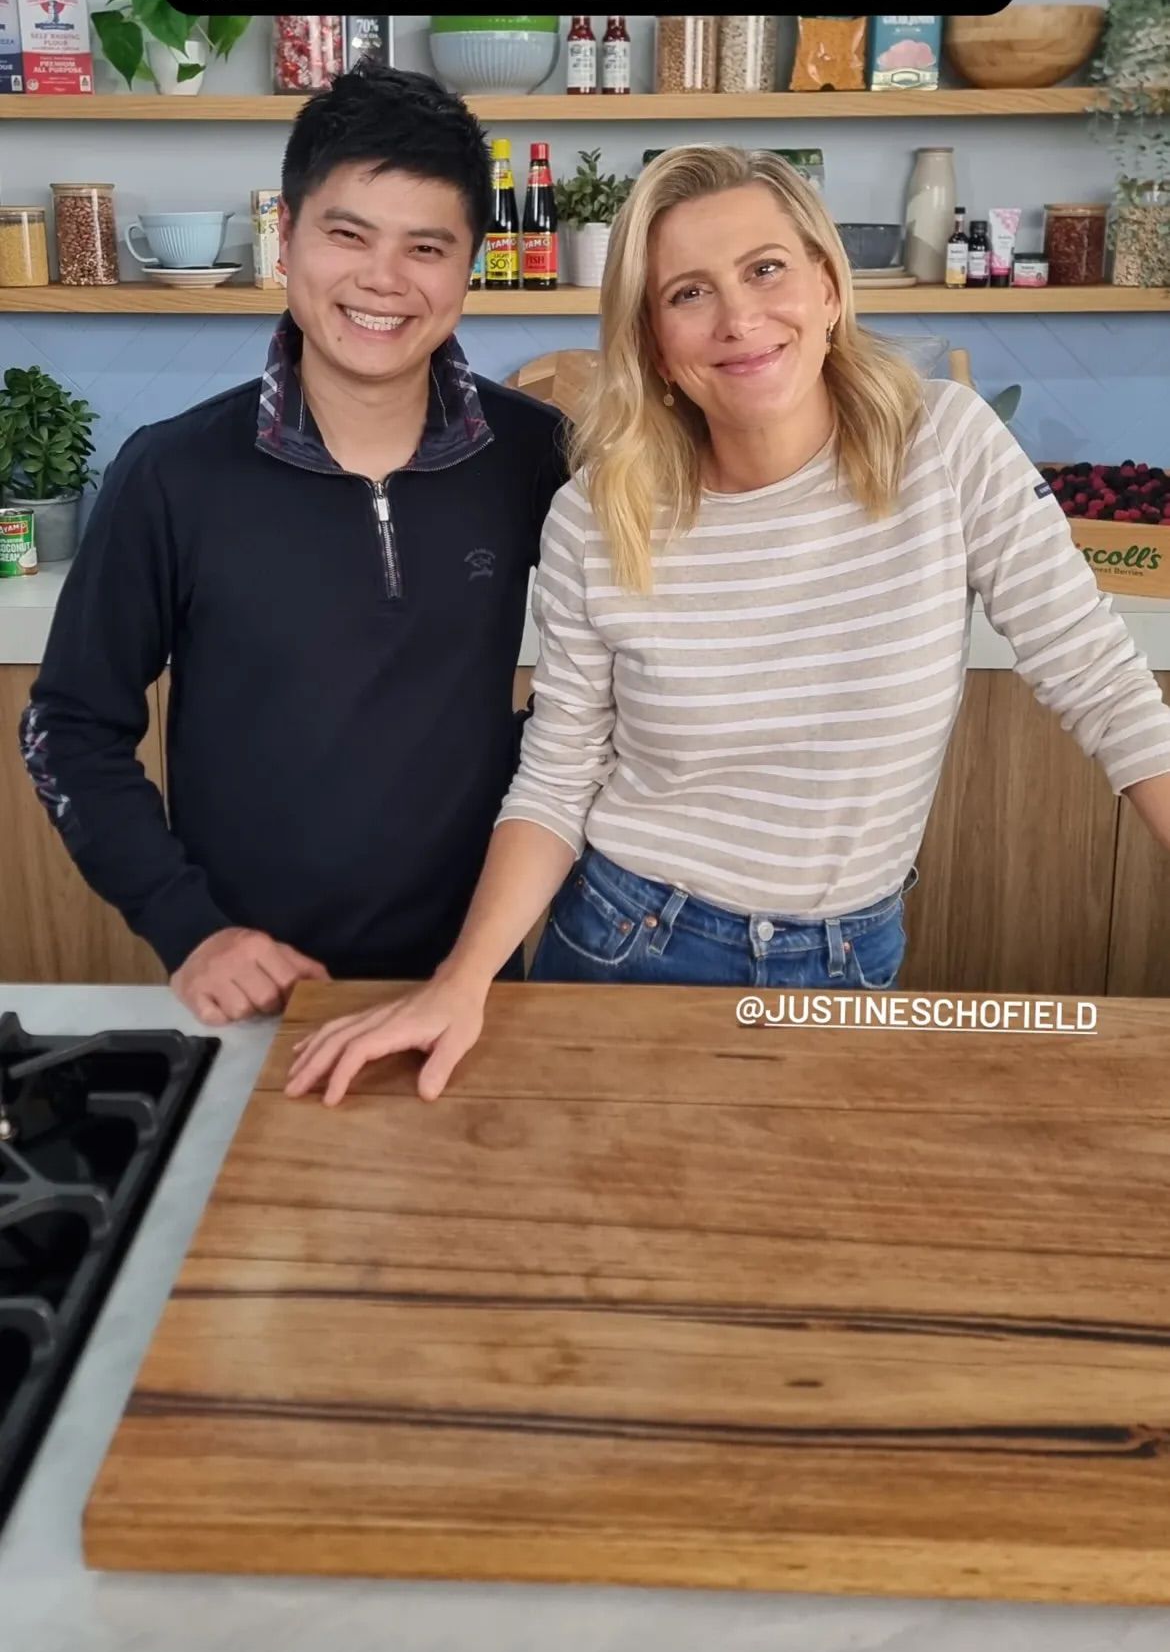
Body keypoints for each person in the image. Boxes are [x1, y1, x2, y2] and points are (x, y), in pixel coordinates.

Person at [287, 143, 1170, 1105]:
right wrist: (462, 982)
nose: (740, 319)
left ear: (827, 288)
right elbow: (559, 772)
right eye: (688, 293)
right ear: (653, 341)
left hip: (853, 959)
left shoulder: (946, 448)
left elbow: (1103, 686)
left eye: (766, 269)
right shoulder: (598, 515)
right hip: (629, 945)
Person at [21, 66, 566, 1024]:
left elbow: (617, 678)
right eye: (347, 235)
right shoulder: (173, 471)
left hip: (466, 986)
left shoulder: (534, 455)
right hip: (254, 988)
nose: (383, 280)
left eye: (426, 247)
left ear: (470, 266)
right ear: (288, 238)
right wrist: (187, 927)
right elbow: (68, 727)